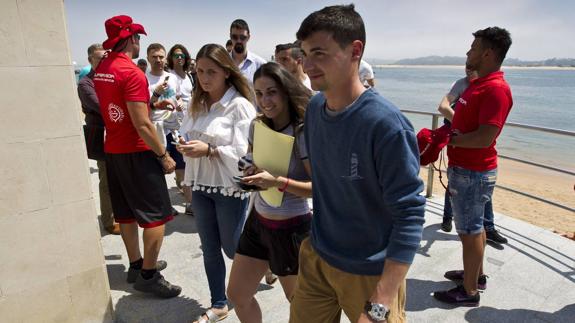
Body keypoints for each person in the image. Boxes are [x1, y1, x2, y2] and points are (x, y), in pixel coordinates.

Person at [289, 5, 426, 323]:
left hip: (370, 272)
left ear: (355, 51)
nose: (307, 65)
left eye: (319, 53)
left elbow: (409, 215)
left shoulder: (386, 125)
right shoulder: (315, 107)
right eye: (304, 53)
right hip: (317, 257)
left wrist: (380, 302)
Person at [93, 15, 181, 298]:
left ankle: (135, 264)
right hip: (138, 152)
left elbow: (121, 104)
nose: (140, 42)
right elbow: (142, 124)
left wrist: (152, 102)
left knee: (127, 215)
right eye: (138, 37)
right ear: (131, 39)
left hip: (114, 151)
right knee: (156, 218)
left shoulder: (103, 67)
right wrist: (163, 155)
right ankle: (148, 274)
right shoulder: (131, 72)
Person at [227, 62, 313, 323]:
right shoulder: (257, 126)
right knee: (237, 294)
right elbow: (255, 160)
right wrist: (250, 169)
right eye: (259, 93)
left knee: (300, 307)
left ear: (286, 91)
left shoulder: (302, 132)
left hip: (292, 230)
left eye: (272, 92)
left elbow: (318, 189)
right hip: (258, 223)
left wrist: (277, 182)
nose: (265, 100)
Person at [433, 26, 513, 306]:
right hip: (466, 170)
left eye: (474, 48)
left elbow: (485, 137)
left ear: (488, 53)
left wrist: (451, 140)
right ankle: (475, 276)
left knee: (469, 232)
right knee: (474, 228)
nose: (468, 52)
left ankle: (468, 292)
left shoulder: (495, 89)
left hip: (473, 172)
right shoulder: (478, 84)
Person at [177, 43, 256, 323]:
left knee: (233, 248)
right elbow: (185, 133)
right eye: (199, 71)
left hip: (229, 189)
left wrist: (209, 150)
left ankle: (260, 272)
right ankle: (219, 303)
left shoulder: (240, 106)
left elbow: (246, 154)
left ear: (226, 72)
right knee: (209, 248)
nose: (204, 77)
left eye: (211, 71)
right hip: (201, 186)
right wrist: (184, 145)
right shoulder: (197, 103)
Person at [438, 69, 508, 244]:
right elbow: (443, 106)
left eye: (473, 68)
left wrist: (468, 132)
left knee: (474, 225)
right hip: (460, 153)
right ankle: (448, 218)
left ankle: (489, 227)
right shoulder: (462, 84)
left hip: (480, 160)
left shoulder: (493, 88)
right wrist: (461, 127)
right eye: (466, 68)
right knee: (455, 188)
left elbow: (485, 134)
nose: (469, 71)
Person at [77, 43, 120, 235]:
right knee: (107, 179)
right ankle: (108, 221)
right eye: (99, 57)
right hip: (101, 135)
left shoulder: (111, 77)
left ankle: (121, 214)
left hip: (117, 132)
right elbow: (101, 105)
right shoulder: (86, 84)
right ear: (90, 60)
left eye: (105, 57)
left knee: (120, 176)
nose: (103, 60)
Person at [165, 44, 193, 196]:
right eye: (176, 55)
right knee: (180, 165)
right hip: (172, 126)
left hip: (188, 123)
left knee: (187, 164)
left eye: (182, 55)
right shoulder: (169, 75)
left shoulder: (188, 76)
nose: (180, 58)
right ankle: (189, 200)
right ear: (171, 58)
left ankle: (186, 192)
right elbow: (168, 96)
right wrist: (176, 101)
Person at [229, 19, 266, 83]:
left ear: (248, 37)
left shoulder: (260, 65)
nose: (239, 41)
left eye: (242, 37)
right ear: (230, 36)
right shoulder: (222, 62)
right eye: (235, 37)